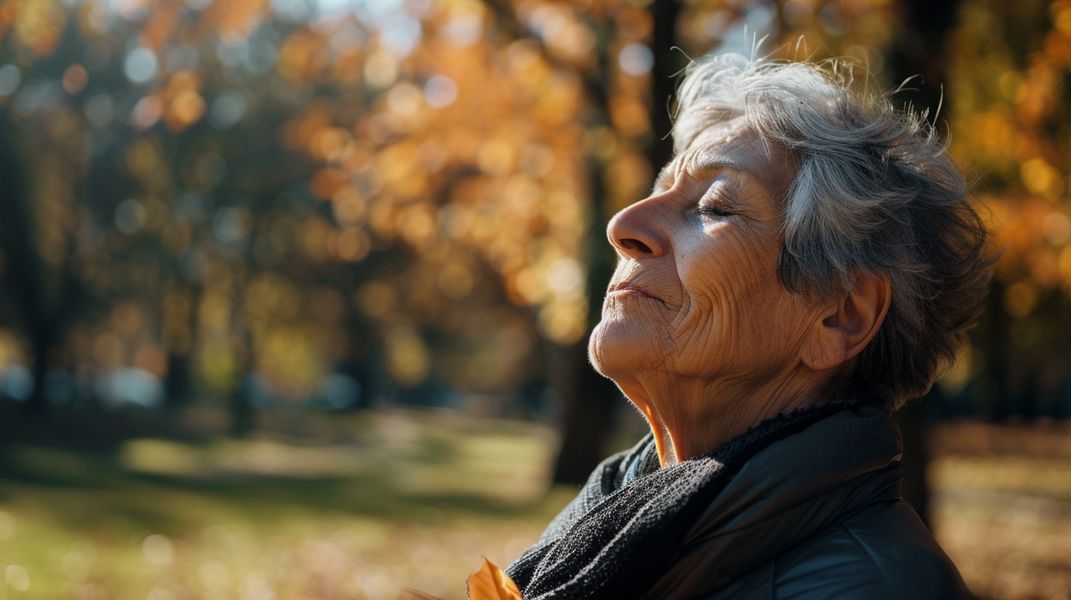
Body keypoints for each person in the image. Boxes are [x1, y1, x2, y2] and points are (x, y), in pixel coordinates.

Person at [505, 52, 990, 599]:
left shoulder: (876, 588)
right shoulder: (609, 526)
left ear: (840, 316)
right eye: (659, 190)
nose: (625, 224)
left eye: (713, 207)